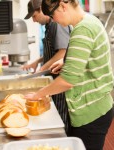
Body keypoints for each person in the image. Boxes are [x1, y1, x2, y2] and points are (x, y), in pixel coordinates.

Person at [24, 0, 114, 149]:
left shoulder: (83, 29)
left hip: (90, 113)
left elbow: (67, 81)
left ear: (63, 7)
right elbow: (88, 59)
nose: (54, 21)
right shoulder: (90, 21)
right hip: (97, 107)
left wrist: (37, 95)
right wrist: (66, 63)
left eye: (53, 16)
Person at [23, 0, 71, 134]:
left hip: (61, 80)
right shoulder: (49, 26)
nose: (33, 20)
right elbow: (52, 52)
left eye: (34, 16)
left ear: (42, 10)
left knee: (61, 118)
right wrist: (37, 62)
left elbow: (62, 52)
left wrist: (42, 68)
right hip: (53, 79)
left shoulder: (57, 25)